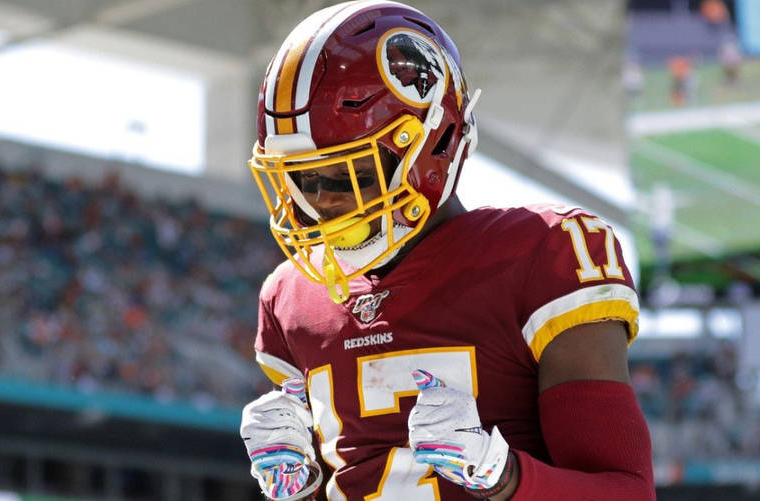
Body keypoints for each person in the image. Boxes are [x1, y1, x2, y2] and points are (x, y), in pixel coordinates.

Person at [239, 1, 655, 500]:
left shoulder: (543, 254)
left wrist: (502, 476)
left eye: (353, 174)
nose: (323, 201)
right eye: (304, 180)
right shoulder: (290, 300)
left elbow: (626, 492)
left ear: (434, 144)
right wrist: (301, 491)